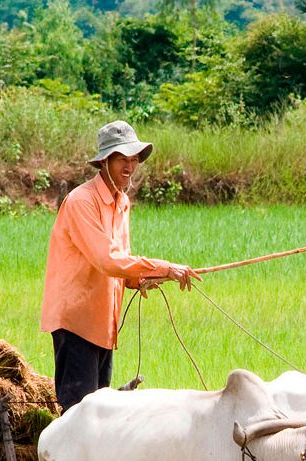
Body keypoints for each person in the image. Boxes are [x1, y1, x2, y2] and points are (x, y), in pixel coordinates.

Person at [41, 121, 197, 411]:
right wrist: (163, 267)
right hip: (76, 322)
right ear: (105, 161)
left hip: (103, 323)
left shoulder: (121, 202)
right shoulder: (81, 201)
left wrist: (138, 279)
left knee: (100, 414)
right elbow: (106, 259)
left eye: (134, 159)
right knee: (80, 413)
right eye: (122, 159)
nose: (129, 166)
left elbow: (119, 258)